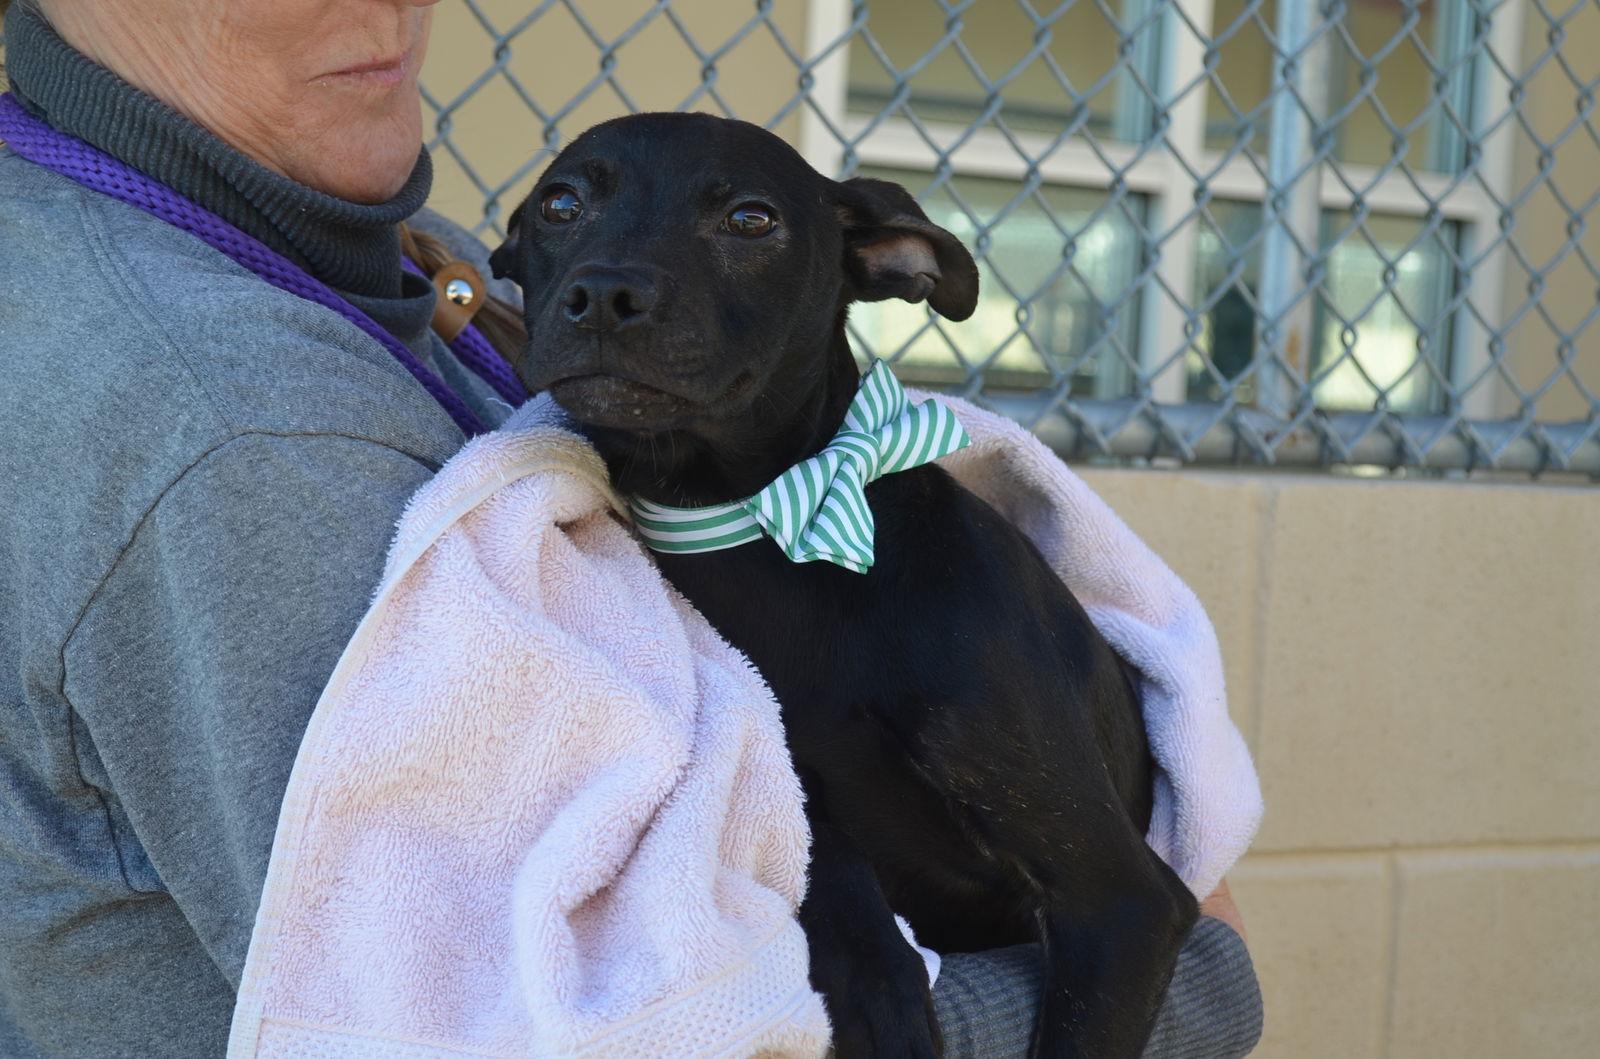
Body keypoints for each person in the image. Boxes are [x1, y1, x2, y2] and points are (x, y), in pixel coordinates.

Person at [0, 0, 1262, 1055]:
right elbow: (605, 1026)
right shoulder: (243, 426)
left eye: (744, 225)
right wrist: (1200, 990)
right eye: (568, 219)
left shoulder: (383, 271)